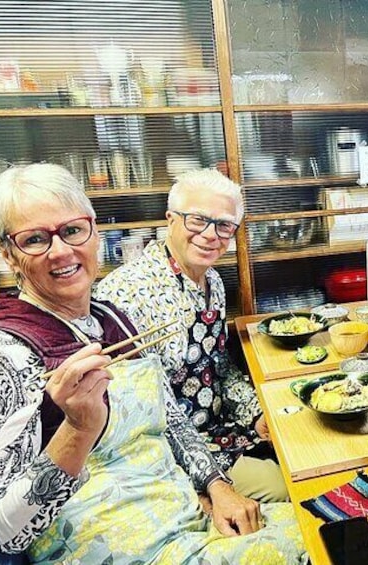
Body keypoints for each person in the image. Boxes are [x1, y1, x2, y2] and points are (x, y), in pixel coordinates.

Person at [0, 163, 305, 563]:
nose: (60, 251)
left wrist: (214, 486)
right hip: (116, 546)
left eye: (73, 230)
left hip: (181, 516)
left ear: (95, 232)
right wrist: (77, 431)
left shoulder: (111, 316)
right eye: (35, 239)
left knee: (326, 523)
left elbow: (171, 417)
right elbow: (1, 534)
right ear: (9, 254)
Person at [94, 168, 287, 504]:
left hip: (221, 426)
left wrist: (256, 416)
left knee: (298, 445)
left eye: (224, 224)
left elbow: (220, 367)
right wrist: (208, 482)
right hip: (170, 449)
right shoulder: (126, 292)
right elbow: (141, 414)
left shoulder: (212, 281)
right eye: (197, 220)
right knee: (284, 487)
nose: (211, 235)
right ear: (170, 220)